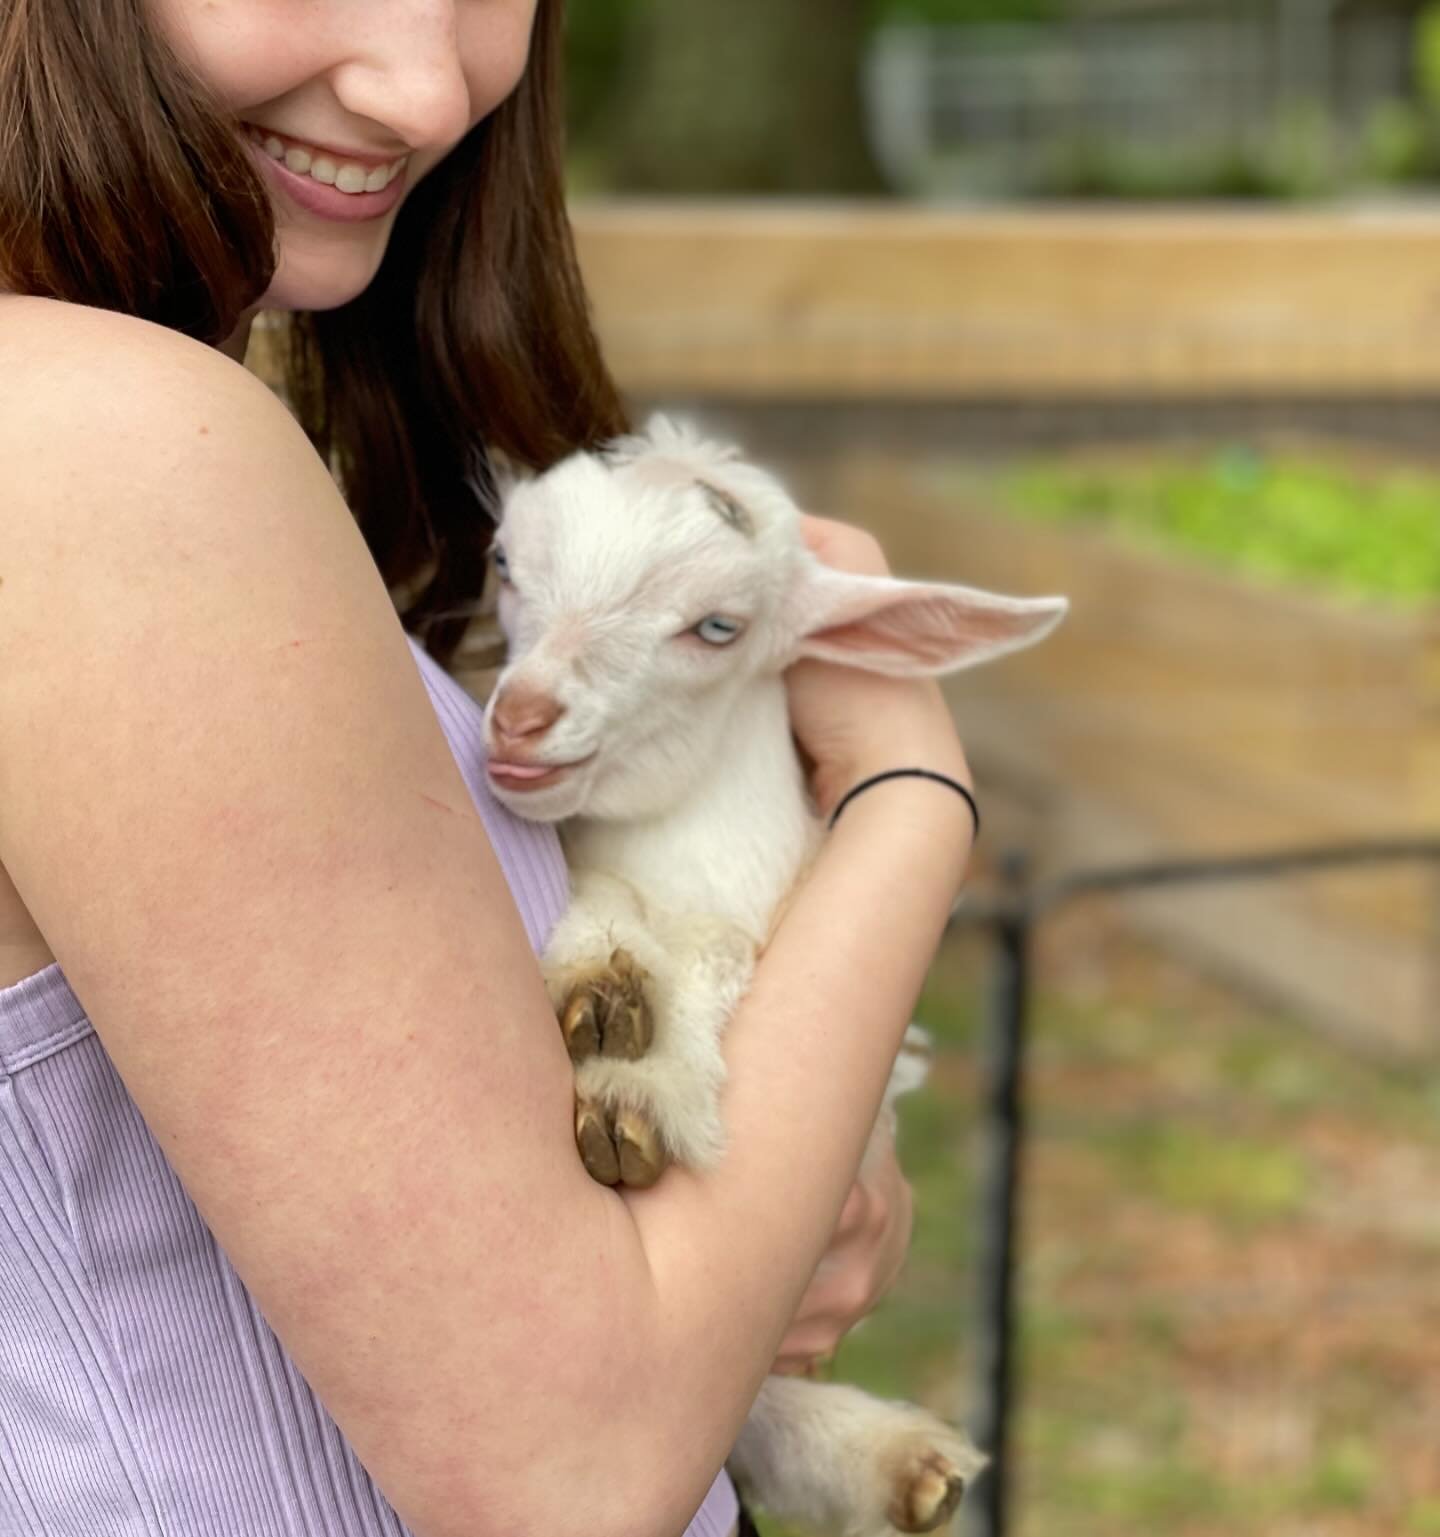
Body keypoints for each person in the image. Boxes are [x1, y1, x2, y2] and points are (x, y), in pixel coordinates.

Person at [0, 3, 976, 1536]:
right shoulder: (103, 446)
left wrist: (793, 1180)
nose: (429, 84)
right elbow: (572, 1472)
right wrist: (908, 800)